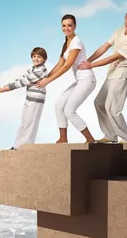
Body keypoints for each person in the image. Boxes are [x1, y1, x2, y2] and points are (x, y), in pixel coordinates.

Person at [77, 8, 127, 144]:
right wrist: (88, 61)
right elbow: (104, 47)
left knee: (113, 108)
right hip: (112, 73)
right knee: (99, 103)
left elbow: (114, 57)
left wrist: (91, 66)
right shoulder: (119, 31)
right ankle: (110, 135)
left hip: (122, 75)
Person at [35, 14, 97, 143]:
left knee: (69, 110)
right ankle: (63, 138)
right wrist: (47, 76)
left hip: (87, 79)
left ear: (75, 26)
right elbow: (60, 64)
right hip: (80, 80)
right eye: (64, 25)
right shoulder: (66, 43)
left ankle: (90, 140)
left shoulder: (76, 42)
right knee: (59, 105)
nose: (66, 28)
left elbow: (67, 66)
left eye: (69, 25)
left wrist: (48, 81)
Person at [0, 47, 48, 150]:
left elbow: (24, 82)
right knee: (24, 123)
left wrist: (7, 88)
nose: (36, 59)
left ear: (44, 59)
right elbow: (22, 78)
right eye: (34, 56)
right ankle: (17, 145)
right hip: (29, 99)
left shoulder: (40, 70)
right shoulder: (32, 68)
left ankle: (25, 146)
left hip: (36, 100)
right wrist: (6, 86)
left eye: (39, 57)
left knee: (30, 123)